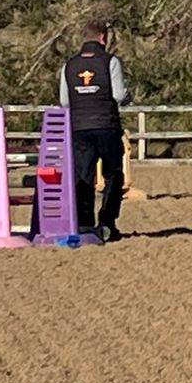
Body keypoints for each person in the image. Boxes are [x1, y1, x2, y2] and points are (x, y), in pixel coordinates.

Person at [59, 19, 133, 242]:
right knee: (113, 174)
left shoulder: (69, 65)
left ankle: (84, 223)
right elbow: (118, 95)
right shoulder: (110, 62)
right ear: (103, 37)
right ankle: (107, 222)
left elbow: (64, 102)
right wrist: (129, 96)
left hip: (79, 127)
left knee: (83, 175)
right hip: (106, 125)